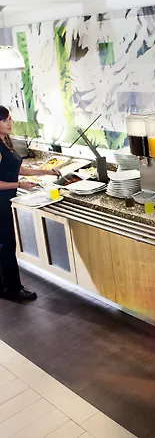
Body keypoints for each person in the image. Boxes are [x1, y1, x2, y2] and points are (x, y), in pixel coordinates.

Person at [0, 105, 61, 301]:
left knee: (5, 245)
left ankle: (6, 287)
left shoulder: (5, 142)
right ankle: (12, 290)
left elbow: (17, 169)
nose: (10, 123)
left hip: (5, 201)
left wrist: (46, 171)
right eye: (5, 120)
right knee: (6, 245)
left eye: (10, 119)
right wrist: (20, 185)